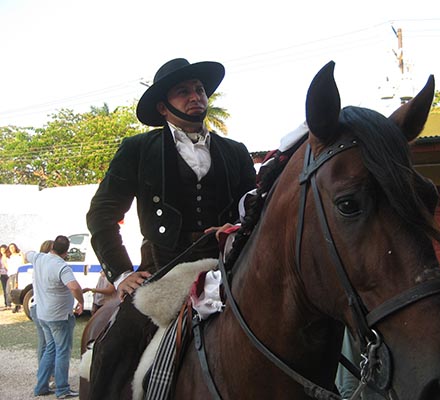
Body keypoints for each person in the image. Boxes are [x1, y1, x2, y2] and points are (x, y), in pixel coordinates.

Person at [86, 57, 256, 399]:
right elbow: (101, 214)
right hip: (162, 271)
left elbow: (253, 211)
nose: (196, 96)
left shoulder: (235, 153)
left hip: (227, 267)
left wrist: (237, 227)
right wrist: (121, 273)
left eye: (199, 89)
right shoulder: (137, 150)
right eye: (184, 91)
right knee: (115, 345)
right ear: (163, 107)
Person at [28, 235, 84, 399]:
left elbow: (28, 254)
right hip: (59, 316)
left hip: (43, 314)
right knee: (62, 352)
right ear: (66, 252)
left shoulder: (39, 258)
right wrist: (80, 301)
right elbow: (73, 286)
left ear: (52, 246)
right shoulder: (62, 266)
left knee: (50, 350)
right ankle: (62, 389)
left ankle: (41, 386)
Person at [6, 242, 26, 313]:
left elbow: (23, 263)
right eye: (10, 247)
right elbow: (7, 266)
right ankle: (14, 305)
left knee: (17, 290)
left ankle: (18, 306)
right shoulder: (8, 257)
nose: (12, 249)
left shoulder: (19, 255)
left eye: (13, 247)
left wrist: (22, 255)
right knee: (10, 290)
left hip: (18, 273)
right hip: (11, 274)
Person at [0, 244, 10, 308]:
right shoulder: (0, 258)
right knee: (4, 289)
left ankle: (9, 303)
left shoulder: (8, 257)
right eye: (1, 250)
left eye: (4, 249)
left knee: (9, 289)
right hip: (2, 274)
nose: (2, 251)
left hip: (9, 274)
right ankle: (6, 303)